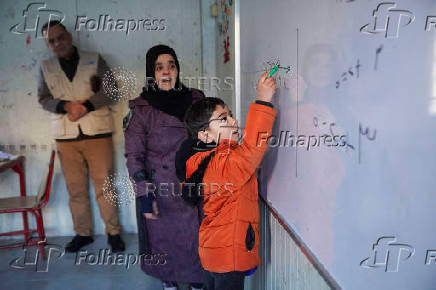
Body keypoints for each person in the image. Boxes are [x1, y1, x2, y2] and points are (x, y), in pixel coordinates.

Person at [175, 71, 277, 290]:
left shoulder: (209, 160)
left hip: (216, 251)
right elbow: (251, 150)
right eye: (223, 119)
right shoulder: (217, 164)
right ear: (205, 136)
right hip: (226, 254)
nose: (233, 120)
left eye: (230, 115)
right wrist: (263, 101)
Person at [37, 20, 125, 253]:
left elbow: (112, 91)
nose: (58, 43)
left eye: (60, 37)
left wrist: (85, 105)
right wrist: (65, 106)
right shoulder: (46, 67)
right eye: (51, 41)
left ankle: (114, 232)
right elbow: (43, 99)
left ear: (69, 36)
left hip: (98, 133)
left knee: (104, 186)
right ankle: (82, 233)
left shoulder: (94, 59)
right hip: (66, 138)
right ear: (48, 45)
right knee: (75, 189)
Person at [124, 45, 205, 290]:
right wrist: (145, 197)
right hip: (161, 191)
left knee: (197, 240)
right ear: (152, 73)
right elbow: (134, 156)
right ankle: (169, 282)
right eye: (159, 67)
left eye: (171, 65)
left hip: (194, 187)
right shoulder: (141, 110)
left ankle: (198, 282)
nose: (167, 72)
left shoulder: (196, 99)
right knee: (164, 241)